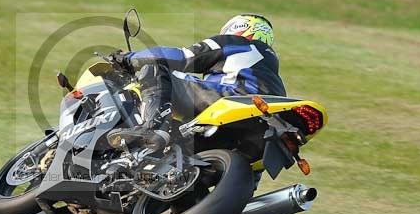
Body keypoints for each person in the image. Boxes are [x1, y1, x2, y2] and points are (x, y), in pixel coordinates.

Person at [106, 13, 286, 152]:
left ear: (238, 28)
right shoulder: (271, 70)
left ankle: (153, 127)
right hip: (265, 124)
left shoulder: (236, 42)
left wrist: (129, 58)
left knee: (155, 69)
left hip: (233, 99)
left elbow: (182, 57)